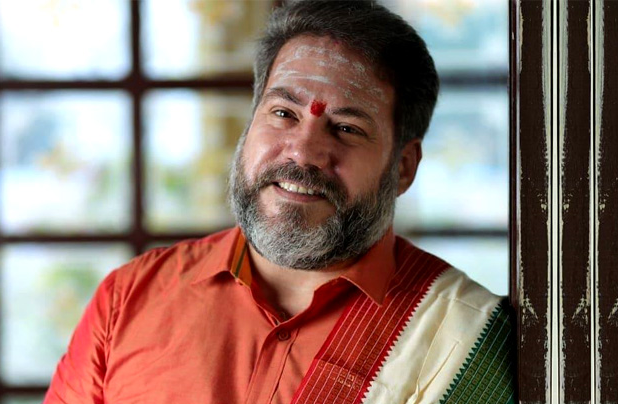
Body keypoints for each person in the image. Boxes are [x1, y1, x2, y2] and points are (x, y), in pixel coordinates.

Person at [44, 1, 515, 403]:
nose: (303, 152)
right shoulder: (129, 301)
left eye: (346, 128)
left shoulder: (461, 337)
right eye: (284, 113)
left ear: (404, 167)